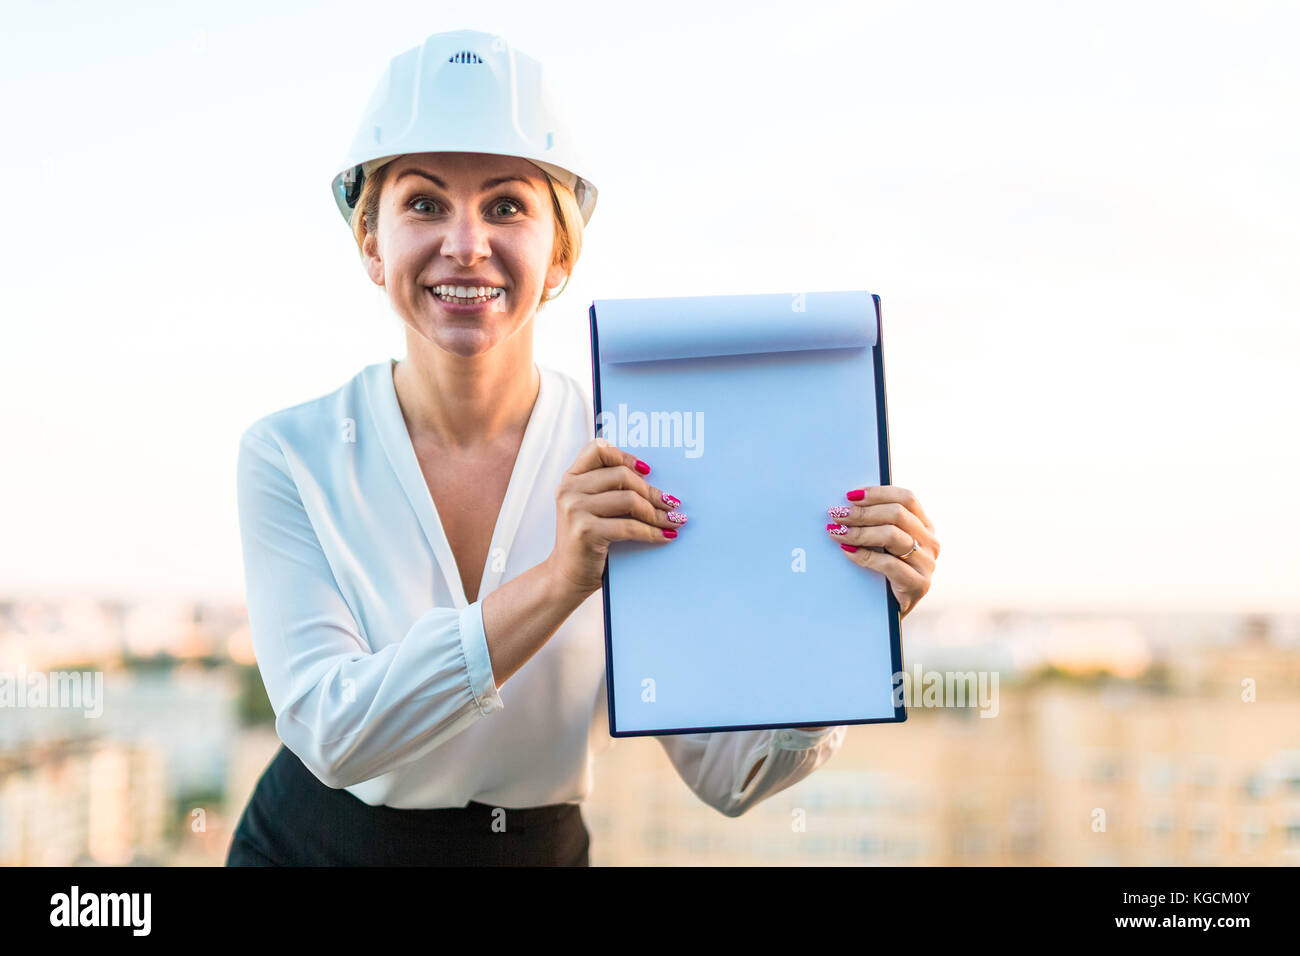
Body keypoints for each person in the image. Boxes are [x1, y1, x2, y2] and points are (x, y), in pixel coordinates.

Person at [225, 28, 940, 867]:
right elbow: (334, 732)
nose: (465, 243)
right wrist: (559, 582)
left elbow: (728, 776)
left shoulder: (643, 450)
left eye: (506, 205)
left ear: (559, 252)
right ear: (372, 245)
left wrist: (845, 627)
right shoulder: (291, 455)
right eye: (423, 202)